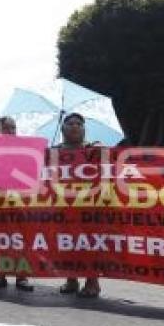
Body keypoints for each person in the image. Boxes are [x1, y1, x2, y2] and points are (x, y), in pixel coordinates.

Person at [0, 116, 34, 292]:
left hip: (19, 202)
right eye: (7, 128)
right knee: (0, 239)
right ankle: (0, 275)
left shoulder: (25, 150)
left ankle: (22, 277)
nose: (11, 131)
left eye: (13, 128)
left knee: (20, 238)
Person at [56, 112, 102, 298]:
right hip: (62, 205)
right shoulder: (54, 151)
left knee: (89, 244)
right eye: (70, 123)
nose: (75, 126)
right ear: (62, 128)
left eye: (79, 124)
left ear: (84, 130)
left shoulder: (94, 151)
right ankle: (71, 280)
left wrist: (100, 149)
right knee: (66, 243)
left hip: (88, 207)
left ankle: (92, 282)